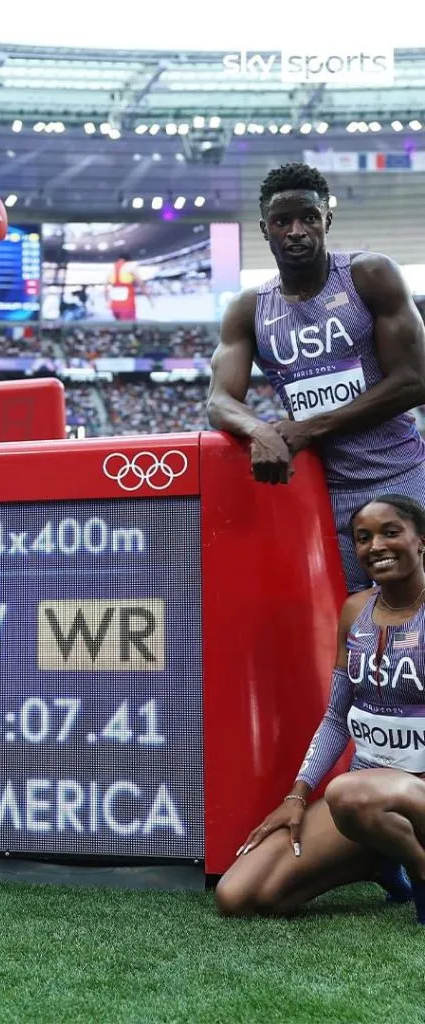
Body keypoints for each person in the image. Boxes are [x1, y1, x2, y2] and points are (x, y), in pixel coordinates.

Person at [207, 162, 425, 593]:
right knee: (355, 619)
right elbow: (219, 400)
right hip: (325, 492)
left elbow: (415, 379)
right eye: (281, 221)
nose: (296, 231)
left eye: (308, 217)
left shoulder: (369, 275)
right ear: (264, 229)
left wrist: (308, 428)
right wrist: (259, 431)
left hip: (401, 474)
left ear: (327, 218)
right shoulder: (249, 308)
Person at [215, 494, 425, 922]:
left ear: (420, 540)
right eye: (363, 538)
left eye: (390, 532)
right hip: (363, 799)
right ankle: (381, 857)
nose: (376, 546)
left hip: (412, 793)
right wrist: (297, 795)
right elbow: (335, 717)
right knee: (241, 896)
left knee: (347, 791)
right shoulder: (355, 611)